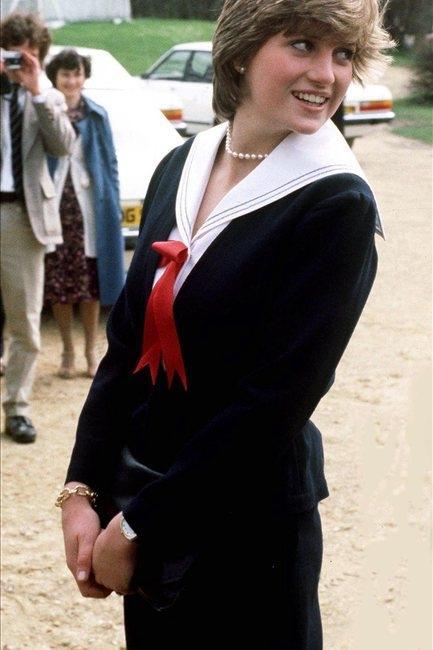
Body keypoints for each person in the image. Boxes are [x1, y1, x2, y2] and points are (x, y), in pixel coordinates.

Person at [58, 0, 393, 647]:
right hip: (147, 499)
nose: (326, 73)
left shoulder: (337, 202)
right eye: (302, 44)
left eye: (344, 54)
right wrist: (82, 488)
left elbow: (274, 403)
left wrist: (139, 526)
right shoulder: (180, 165)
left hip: (249, 531)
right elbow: (126, 347)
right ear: (241, 51)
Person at [0, 12, 75, 444]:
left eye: (28, 56)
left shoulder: (46, 96)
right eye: (13, 55)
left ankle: (17, 407)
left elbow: (63, 145)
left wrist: (38, 91)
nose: (19, 63)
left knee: (25, 319)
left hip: (21, 215)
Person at [44, 49, 125, 379]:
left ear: (84, 77)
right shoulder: (44, 110)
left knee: (91, 283)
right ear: (55, 77)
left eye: (76, 74)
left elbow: (110, 163)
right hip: (55, 206)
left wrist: (113, 203)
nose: (71, 80)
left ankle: (91, 350)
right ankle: (67, 350)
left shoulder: (97, 114)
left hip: (90, 206)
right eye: (65, 74)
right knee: (60, 283)